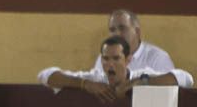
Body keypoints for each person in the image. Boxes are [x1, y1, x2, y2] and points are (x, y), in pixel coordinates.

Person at [37, 36, 193, 101]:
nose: (110, 64)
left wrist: (138, 83)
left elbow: (186, 78)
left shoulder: (142, 76)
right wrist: (85, 84)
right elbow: (45, 75)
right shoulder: (96, 79)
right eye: (105, 59)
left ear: (128, 60)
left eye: (116, 58)